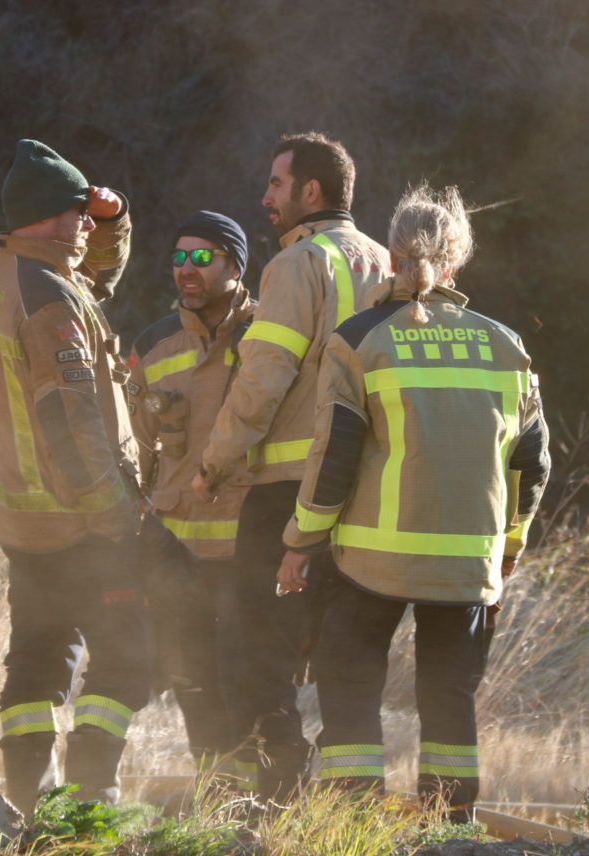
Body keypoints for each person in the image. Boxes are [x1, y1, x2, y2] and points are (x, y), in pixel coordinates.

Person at [275, 184, 551, 822]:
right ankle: (450, 831)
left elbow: (334, 455)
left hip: (372, 560)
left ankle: (351, 820)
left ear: (390, 256)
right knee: (449, 694)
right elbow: (532, 465)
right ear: (457, 262)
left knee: (348, 679)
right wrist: (507, 549)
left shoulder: (359, 339)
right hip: (467, 566)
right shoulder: (506, 345)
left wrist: (300, 542)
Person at [190, 132, 391, 802]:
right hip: (369, 499)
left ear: (311, 192)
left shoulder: (300, 264)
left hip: (287, 495)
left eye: (276, 184)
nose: (265, 197)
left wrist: (213, 462)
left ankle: (273, 798)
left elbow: (262, 378)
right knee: (343, 657)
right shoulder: (390, 267)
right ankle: (347, 809)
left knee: (253, 647)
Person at [0, 139, 150, 817]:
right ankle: (91, 798)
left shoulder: (10, 272)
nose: (84, 222)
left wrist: (113, 223)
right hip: (78, 519)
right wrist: (112, 516)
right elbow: (69, 423)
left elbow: (91, 280)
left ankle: (22, 803)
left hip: (26, 519)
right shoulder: (48, 301)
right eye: (78, 211)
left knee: (40, 657)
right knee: (130, 655)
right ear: (51, 216)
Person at [127, 211, 257, 787]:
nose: (187, 269)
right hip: (176, 554)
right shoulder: (152, 346)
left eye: (202, 258)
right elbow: (134, 449)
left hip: (248, 552)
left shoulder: (269, 339)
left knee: (248, 683)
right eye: (179, 257)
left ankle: (258, 808)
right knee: (193, 684)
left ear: (234, 266)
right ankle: (218, 804)